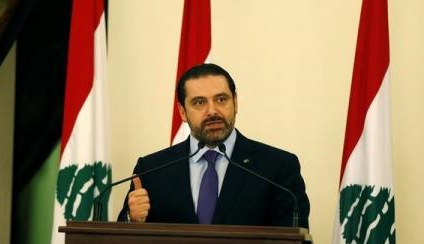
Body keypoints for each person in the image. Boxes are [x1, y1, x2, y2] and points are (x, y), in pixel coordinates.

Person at [119, 63, 310, 228]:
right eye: (199, 102)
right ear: (182, 112)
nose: (212, 111)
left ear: (235, 102)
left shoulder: (277, 168)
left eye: (221, 99)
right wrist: (131, 219)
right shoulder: (152, 170)